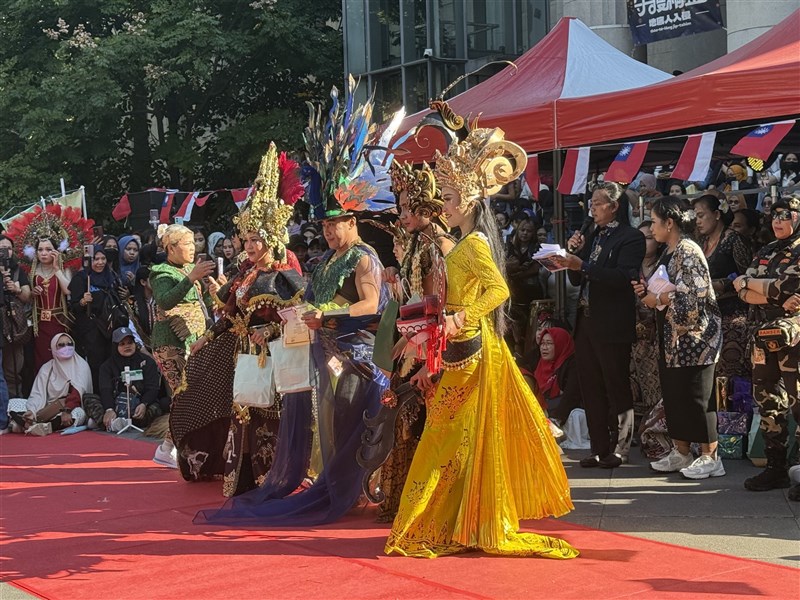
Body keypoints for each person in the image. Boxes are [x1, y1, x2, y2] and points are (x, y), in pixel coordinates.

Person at [385, 106, 577, 559]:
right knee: (453, 441)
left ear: (470, 201)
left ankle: (439, 524)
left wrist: (462, 316)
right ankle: (455, 522)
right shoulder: (462, 243)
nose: (444, 207)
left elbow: (498, 290)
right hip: (458, 352)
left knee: (446, 440)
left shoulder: (474, 244)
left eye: (449, 199)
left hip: (471, 353)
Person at [196, 82, 391, 526]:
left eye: (334, 225)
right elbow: (304, 296)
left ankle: (355, 489)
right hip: (321, 350)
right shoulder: (327, 258)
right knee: (329, 425)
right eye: (323, 226)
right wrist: (298, 314)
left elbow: (371, 305)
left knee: (350, 421)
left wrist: (328, 315)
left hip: (355, 354)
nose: (326, 232)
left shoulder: (364, 257)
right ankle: (338, 487)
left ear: (352, 220)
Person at [171, 143, 306, 491]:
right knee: (244, 410)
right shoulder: (244, 275)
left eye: (256, 238)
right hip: (243, 354)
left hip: (273, 357)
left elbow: (299, 314)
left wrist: (272, 330)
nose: (248, 245)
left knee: (268, 414)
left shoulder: (283, 272)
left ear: (271, 238)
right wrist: (207, 337)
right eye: (245, 238)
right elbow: (230, 315)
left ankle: (274, 478)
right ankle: (244, 477)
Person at [371, 161, 455, 523]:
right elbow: (413, 298)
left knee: (419, 421)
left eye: (409, 208)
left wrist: (418, 350)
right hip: (411, 339)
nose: (403, 215)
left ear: (427, 207)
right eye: (400, 207)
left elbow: (439, 304)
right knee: (402, 419)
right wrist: (395, 280)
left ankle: (428, 503)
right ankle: (406, 498)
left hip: (429, 345)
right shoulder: (417, 241)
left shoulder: (438, 244)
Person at [556, 182, 645, 468]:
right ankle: (598, 447)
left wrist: (580, 265)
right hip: (586, 321)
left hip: (611, 321)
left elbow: (622, 278)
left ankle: (620, 447)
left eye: (597, 203)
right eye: (591, 204)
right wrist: (575, 258)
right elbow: (577, 280)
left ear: (614, 206)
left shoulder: (631, 238)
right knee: (590, 385)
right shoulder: (593, 235)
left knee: (616, 384)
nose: (592, 209)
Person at [634, 197, 723, 479]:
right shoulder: (668, 252)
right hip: (672, 338)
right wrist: (646, 293)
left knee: (698, 397)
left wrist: (656, 297)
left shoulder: (688, 251)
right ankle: (682, 451)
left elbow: (692, 297)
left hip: (696, 339)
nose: (652, 228)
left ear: (669, 223)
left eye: (655, 222)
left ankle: (711, 456)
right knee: (675, 396)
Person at [734, 196, 800, 500]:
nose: (778, 220)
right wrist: (768, 292)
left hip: (793, 338)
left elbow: (786, 288)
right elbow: (743, 290)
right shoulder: (767, 250)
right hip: (762, 334)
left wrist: (759, 287)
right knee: (767, 399)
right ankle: (776, 466)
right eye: (774, 215)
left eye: (786, 215)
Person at [149, 223, 216, 468]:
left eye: (193, 243)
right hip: (171, 344)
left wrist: (213, 291)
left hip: (194, 340)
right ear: (171, 248)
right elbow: (166, 301)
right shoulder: (161, 273)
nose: (192, 248)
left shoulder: (190, 270)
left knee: (189, 395)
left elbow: (203, 303)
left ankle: (171, 447)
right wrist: (191, 277)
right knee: (184, 394)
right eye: (187, 244)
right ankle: (169, 447)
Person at [692, 194, 751, 381]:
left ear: (717, 214)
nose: (698, 221)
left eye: (701, 215)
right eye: (696, 217)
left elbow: (749, 276)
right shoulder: (699, 243)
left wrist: (723, 284)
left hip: (733, 314)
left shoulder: (734, 240)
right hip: (707, 314)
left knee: (732, 370)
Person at [68, 247, 126, 390]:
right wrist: (83, 301)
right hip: (92, 330)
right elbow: (73, 307)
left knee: (114, 361)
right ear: (88, 260)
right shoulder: (81, 278)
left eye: (103, 259)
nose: (100, 262)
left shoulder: (111, 276)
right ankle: (99, 397)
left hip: (111, 327)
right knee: (97, 365)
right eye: (96, 259)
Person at [8, 333, 91, 435]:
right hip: (45, 408)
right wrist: (32, 411)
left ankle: (32, 426)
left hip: (69, 409)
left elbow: (77, 395)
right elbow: (37, 394)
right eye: (61, 345)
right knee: (12, 403)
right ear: (53, 348)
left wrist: (67, 410)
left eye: (69, 344)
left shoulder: (81, 365)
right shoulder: (47, 368)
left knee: (79, 414)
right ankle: (35, 424)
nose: (66, 347)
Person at [86, 326, 165, 431]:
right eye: (122, 344)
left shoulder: (147, 362)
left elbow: (153, 388)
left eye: (130, 343)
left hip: (138, 406)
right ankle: (113, 422)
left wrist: (144, 404)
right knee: (89, 399)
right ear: (115, 346)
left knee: (157, 407)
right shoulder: (107, 366)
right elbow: (105, 390)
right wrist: (109, 409)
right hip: (115, 406)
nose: (127, 346)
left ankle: (105, 423)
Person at [631, 221, 662, 429]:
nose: (644, 243)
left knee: (656, 382)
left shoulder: (663, 265)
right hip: (633, 332)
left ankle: (656, 426)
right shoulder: (630, 265)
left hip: (657, 334)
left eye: (649, 238)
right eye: (640, 238)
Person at [505, 217, 544, 355]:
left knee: (530, 325)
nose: (525, 233)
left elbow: (535, 269)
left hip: (531, 291)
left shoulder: (537, 248)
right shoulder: (510, 246)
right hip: (513, 292)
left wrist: (518, 272)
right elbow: (506, 265)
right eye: (522, 230)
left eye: (529, 231)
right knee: (512, 325)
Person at [0, 234, 32, 398]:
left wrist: (16, 289)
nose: (6, 252)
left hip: (14, 326)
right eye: (2, 249)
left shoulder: (17, 270)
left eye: (9, 248)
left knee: (14, 369)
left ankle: (15, 405)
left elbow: (27, 295)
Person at [533, 327, 582, 427]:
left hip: (561, 416)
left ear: (560, 344)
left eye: (549, 343)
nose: (544, 347)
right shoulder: (539, 363)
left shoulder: (573, 365)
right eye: (542, 343)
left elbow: (571, 395)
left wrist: (556, 419)